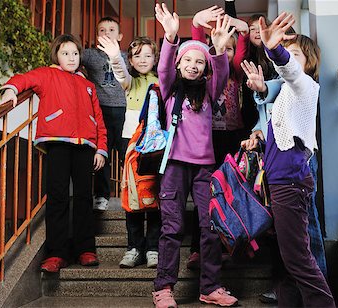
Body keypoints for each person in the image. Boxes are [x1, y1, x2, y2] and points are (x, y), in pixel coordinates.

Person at [241, 12, 335, 307]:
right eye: (287, 54)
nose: (290, 60)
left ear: (307, 63)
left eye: (296, 55)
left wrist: (275, 50)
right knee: (289, 257)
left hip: (291, 180)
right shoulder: (285, 95)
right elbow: (281, 132)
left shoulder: (305, 86)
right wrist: (258, 139)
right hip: (280, 179)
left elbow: (290, 71)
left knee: (298, 260)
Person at [152, 3, 238, 308]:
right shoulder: (169, 89)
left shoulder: (210, 91)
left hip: (204, 168)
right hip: (174, 165)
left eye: (199, 62)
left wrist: (217, 49)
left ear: (205, 68)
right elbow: (162, 67)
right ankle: (163, 289)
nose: (192, 65)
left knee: (211, 228)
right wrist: (171, 38)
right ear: (178, 64)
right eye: (187, 60)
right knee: (172, 228)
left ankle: (210, 287)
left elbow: (222, 71)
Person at [0, 34, 107, 273]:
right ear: (56, 55)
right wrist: (10, 90)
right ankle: (56, 253)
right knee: (57, 197)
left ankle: (85, 249)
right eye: (65, 53)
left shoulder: (88, 86)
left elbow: (99, 120)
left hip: (86, 146)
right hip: (57, 142)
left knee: (83, 198)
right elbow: (23, 79)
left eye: (75, 53)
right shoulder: (47, 74)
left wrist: (101, 148)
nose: (71, 58)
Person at [186, 4, 250, 270]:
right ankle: (197, 249)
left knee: (231, 192)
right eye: (218, 46)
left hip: (233, 138)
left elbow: (238, 50)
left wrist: (241, 31)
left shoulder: (235, 71)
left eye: (230, 48)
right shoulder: (208, 71)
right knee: (205, 195)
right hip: (208, 138)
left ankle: (233, 244)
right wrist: (196, 25)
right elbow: (199, 45)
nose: (224, 50)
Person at [97, 35, 163, 269]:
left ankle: (154, 248)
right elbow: (120, 73)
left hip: (156, 143)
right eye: (137, 56)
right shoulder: (130, 83)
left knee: (154, 194)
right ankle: (134, 248)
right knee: (133, 194)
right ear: (131, 61)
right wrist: (116, 56)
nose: (143, 60)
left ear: (155, 58)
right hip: (131, 142)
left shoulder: (162, 80)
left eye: (148, 55)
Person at [82, 17, 127, 211]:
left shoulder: (126, 56)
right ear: (97, 36)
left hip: (125, 112)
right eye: (102, 30)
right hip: (100, 112)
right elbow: (69, 58)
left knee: (127, 154)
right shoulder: (90, 55)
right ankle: (101, 195)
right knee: (102, 154)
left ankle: (133, 192)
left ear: (120, 36)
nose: (106, 33)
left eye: (111, 29)